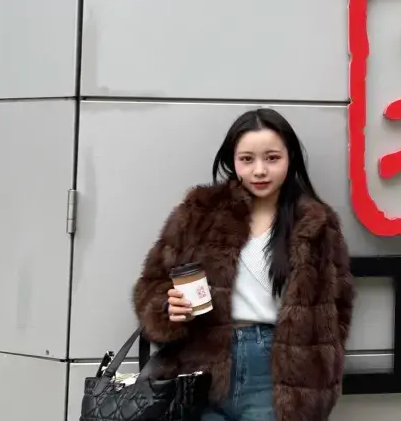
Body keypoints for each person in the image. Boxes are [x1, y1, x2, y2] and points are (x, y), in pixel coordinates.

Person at [132, 108, 355, 421]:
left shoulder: (315, 223)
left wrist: (316, 373)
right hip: (198, 368)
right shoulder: (200, 212)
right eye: (247, 159)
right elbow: (151, 285)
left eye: (272, 158)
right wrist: (167, 310)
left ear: (290, 158)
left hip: (276, 372)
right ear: (232, 161)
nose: (259, 170)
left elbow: (339, 307)